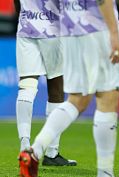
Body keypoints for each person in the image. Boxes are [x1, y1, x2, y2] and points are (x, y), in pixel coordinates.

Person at [18, 0, 119, 177]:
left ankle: (34, 152)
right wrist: (114, 32)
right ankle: (105, 174)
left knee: (77, 100)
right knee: (108, 96)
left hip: (70, 30)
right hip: (98, 26)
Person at [15, 0, 76, 167]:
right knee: (56, 87)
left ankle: (25, 144)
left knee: (26, 86)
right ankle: (51, 152)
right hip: (52, 31)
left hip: (26, 27)